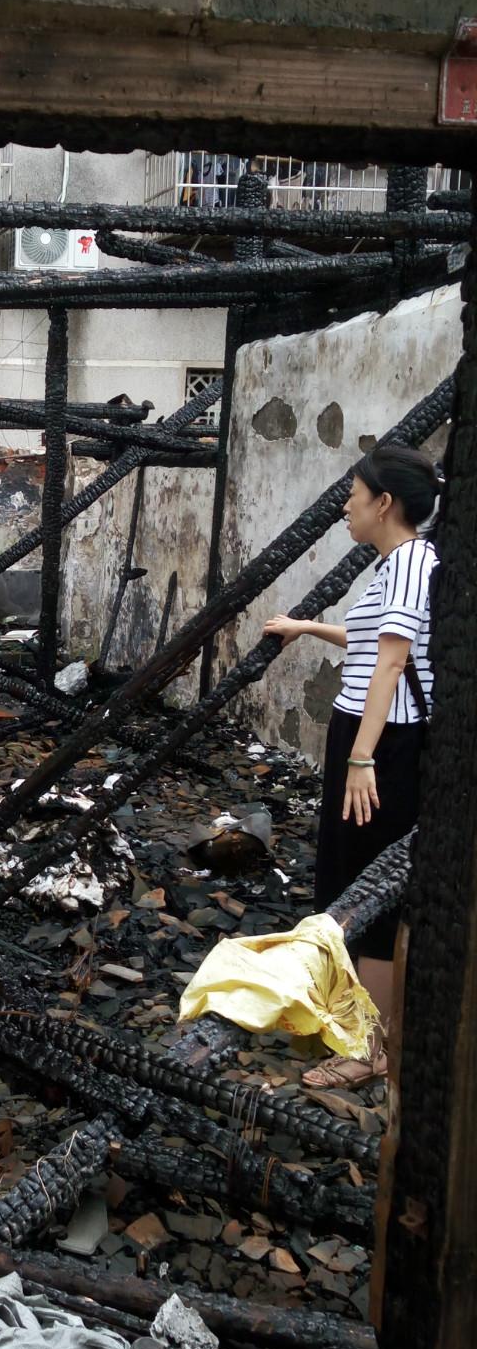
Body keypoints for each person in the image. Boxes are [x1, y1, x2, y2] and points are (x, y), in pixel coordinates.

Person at [264, 443, 440, 1089]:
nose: (346, 506)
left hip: (386, 742)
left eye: (354, 495)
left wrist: (363, 757)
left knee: (372, 892)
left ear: (383, 503)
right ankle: (367, 1030)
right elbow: (371, 641)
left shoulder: (411, 562)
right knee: (353, 878)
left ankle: (373, 1050)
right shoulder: (396, 564)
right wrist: (307, 627)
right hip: (368, 734)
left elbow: (392, 662)